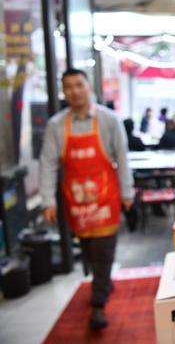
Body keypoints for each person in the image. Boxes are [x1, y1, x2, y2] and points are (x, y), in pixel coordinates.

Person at [39, 68, 134, 331]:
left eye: (79, 85)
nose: (75, 91)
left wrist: (127, 192)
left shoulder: (108, 120)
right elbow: (47, 164)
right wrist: (48, 200)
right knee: (90, 251)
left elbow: (122, 159)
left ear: (88, 86)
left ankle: (98, 304)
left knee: (103, 251)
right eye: (68, 87)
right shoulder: (56, 125)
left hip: (106, 200)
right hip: (77, 203)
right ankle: (103, 282)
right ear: (63, 91)